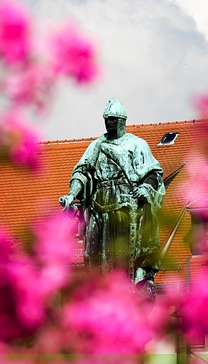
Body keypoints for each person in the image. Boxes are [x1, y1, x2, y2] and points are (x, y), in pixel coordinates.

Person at [60, 98, 165, 299]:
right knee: (97, 256)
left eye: (113, 119)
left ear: (122, 120)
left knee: (124, 257)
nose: (109, 122)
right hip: (100, 211)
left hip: (126, 209)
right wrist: (71, 195)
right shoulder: (96, 146)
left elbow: (153, 174)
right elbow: (82, 173)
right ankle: (103, 294)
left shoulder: (137, 145)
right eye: (106, 119)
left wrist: (146, 188)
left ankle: (134, 287)